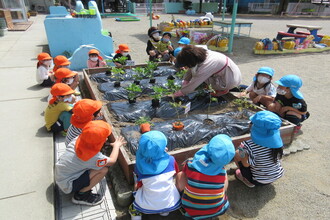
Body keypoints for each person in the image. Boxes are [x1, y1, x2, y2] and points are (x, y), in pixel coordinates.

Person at [55, 120, 126, 206]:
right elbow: (112, 161)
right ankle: (81, 196)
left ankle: (80, 187)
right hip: (67, 185)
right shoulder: (93, 157)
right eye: (105, 137)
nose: (107, 138)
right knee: (103, 170)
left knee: (93, 167)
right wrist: (116, 146)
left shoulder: (77, 139)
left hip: (61, 175)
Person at [176, 134, 235, 220]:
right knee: (224, 177)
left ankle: (182, 201)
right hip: (217, 210)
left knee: (180, 175)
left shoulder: (191, 163)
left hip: (190, 210)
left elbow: (184, 174)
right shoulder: (222, 172)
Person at [129, 131, 181, 219]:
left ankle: (136, 214)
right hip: (171, 203)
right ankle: (164, 212)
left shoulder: (140, 167)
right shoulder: (171, 160)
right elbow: (176, 172)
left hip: (146, 206)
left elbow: (140, 182)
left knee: (137, 184)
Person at [234, 110, 284, 188]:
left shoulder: (245, 145)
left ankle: (247, 179)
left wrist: (242, 153)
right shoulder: (277, 143)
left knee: (237, 153)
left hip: (258, 180)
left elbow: (246, 164)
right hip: (276, 175)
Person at [174, 45, 242, 97]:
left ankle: (223, 89)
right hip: (232, 74)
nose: (185, 67)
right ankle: (221, 87)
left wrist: (179, 93)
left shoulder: (206, 66)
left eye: (186, 64)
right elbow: (191, 68)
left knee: (201, 80)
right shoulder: (202, 53)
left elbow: (193, 84)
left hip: (230, 81)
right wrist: (185, 80)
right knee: (198, 74)